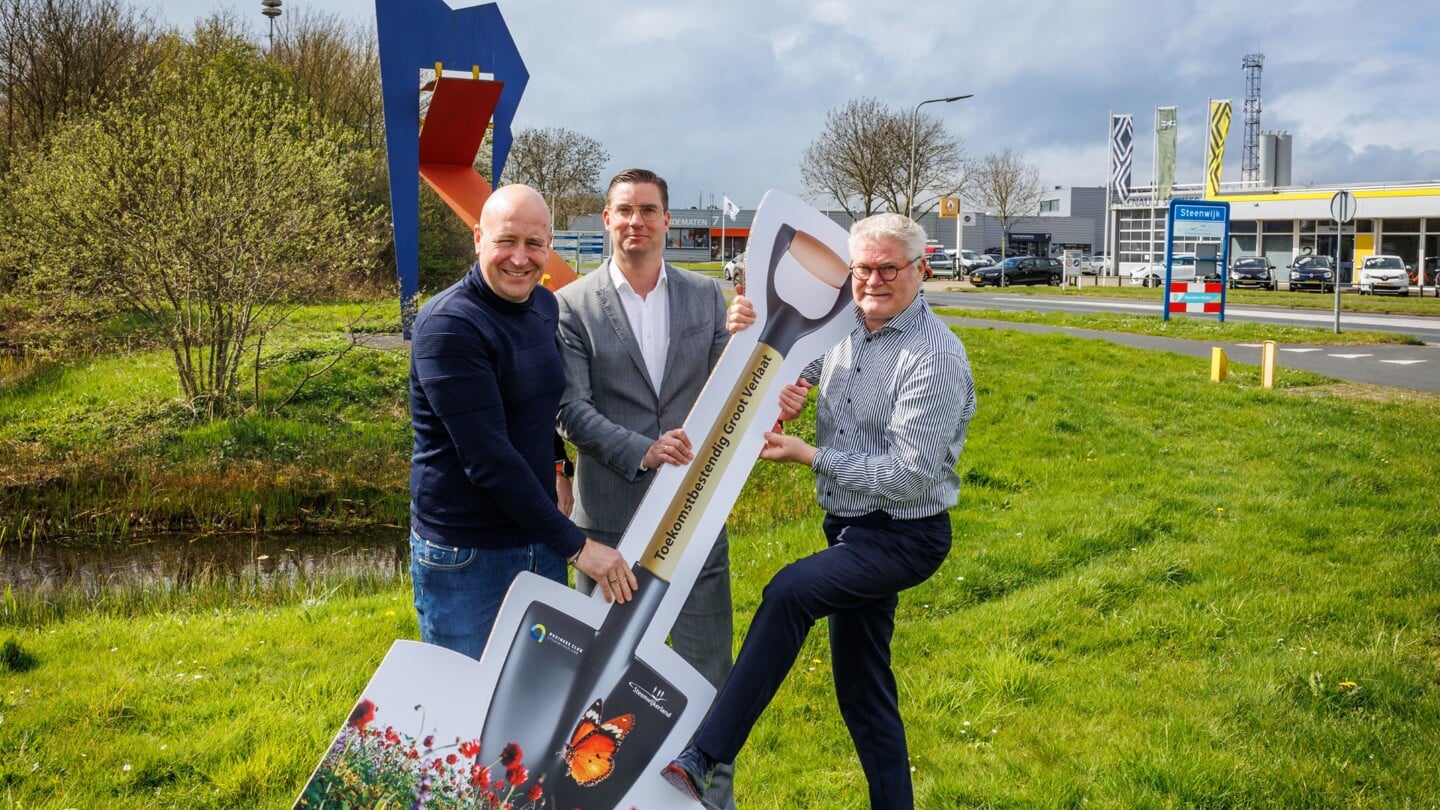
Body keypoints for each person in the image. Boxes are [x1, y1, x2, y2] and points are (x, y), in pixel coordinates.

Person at [662, 212, 977, 810]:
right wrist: (772, 370)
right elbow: (793, 371)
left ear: (921, 270)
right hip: (851, 528)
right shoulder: (845, 328)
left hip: (901, 537)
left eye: (890, 269)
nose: (875, 281)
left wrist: (810, 455)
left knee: (790, 592)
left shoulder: (934, 356)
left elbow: (910, 477)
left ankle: (704, 756)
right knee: (863, 692)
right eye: (865, 269)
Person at [554, 168, 738, 809]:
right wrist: (643, 450)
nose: (636, 221)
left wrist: (776, 396)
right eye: (624, 210)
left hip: (695, 529)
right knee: (602, 693)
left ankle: (708, 803)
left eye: (649, 210)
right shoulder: (570, 305)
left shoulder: (707, 298)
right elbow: (570, 410)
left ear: (667, 221)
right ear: (606, 219)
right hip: (609, 533)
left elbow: (730, 394)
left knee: (706, 687)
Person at [408, 183, 636, 661]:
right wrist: (579, 548)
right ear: (477, 239)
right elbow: (489, 460)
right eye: (506, 241)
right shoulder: (450, 327)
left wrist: (558, 468)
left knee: (535, 693)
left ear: (549, 245)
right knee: (467, 707)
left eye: (535, 244)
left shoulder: (542, 306)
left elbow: (540, 402)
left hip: (538, 537)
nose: (520, 258)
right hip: (468, 554)